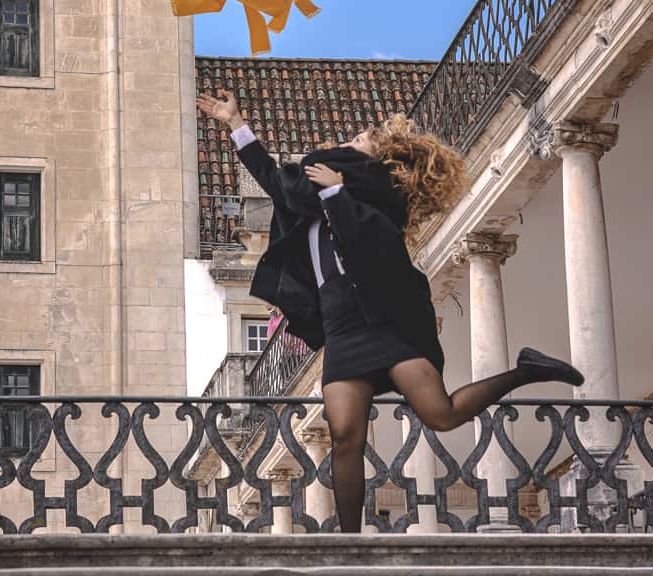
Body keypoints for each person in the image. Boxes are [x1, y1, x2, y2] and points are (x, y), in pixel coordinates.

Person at [196, 88, 584, 534]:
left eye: (365, 136)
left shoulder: (379, 195)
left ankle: (525, 371)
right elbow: (276, 182)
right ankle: (349, 543)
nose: (356, 137)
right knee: (344, 436)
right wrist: (236, 123)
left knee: (440, 413)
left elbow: (376, 245)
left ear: (380, 157)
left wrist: (338, 193)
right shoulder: (314, 188)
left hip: (386, 319)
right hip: (342, 326)